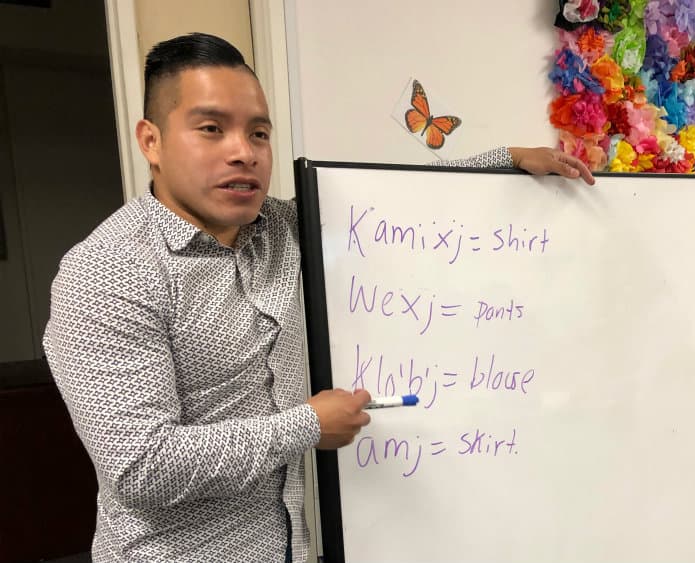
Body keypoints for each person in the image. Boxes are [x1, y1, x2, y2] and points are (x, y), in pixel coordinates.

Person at [43, 32, 593, 563]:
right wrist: (307, 424)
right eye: (211, 128)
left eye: (259, 134)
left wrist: (505, 160)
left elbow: (389, 197)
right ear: (151, 141)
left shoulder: (283, 227)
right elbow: (142, 467)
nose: (244, 153)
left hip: (292, 547)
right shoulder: (106, 272)